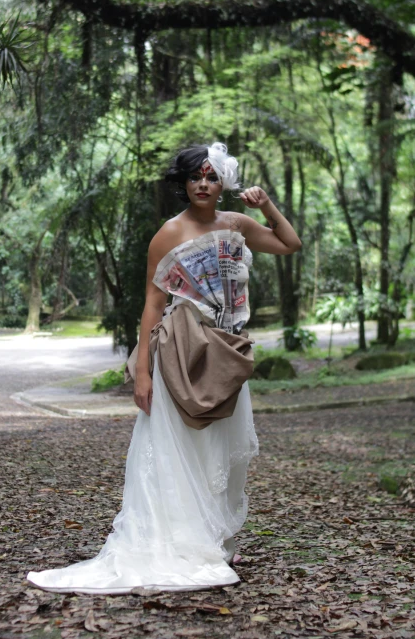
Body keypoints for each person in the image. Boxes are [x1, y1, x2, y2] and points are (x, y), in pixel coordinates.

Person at [27, 142, 302, 595]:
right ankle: (177, 541)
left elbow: (289, 243)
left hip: (226, 354)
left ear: (223, 183)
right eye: (195, 177)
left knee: (219, 451)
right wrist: (142, 372)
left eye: (212, 177)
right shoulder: (168, 234)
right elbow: (153, 305)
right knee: (178, 450)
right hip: (180, 350)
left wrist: (266, 204)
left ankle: (213, 539)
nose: (203, 184)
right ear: (184, 183)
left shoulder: (236, 225)